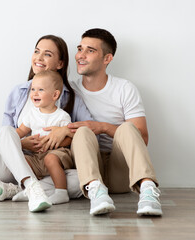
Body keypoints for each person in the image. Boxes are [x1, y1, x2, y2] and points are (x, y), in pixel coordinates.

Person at [0, 35, 93, 212]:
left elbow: (89, 131)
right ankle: (30, 185)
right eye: (37, 51)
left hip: (48, 165)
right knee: (7, 130)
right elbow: (0, 136)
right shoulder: (19, 92)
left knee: (79, 181)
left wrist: (64, 132)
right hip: (13, 165)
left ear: (60, 63)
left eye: (47, 54)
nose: (38, 57)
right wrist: (20, 143)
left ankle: (20, 189)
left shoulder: (70, 96)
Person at [66, 28, 162, 216]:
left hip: (121, 172)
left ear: (107, 59)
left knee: (128, 128)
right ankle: (97, 193)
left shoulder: (124, 88)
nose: (80, 55)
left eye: (90, 50)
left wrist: (101, 127)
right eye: (80, 48)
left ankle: (148, 191)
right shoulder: (69, 89)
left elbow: (142, 136)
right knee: (83, 131)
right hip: (88, 169)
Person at [0, 70, 75, 205]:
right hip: (37, 156)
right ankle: (29, 189)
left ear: (55, 95)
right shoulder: (31, 115)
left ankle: (61, 192)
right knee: (24, 161)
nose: (34, 93)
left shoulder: (62, 116)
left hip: (57, 154)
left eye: (40, 90)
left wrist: (55, 144)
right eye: (33, 89)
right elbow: (19, 131)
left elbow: (69, 138)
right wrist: (9, 139)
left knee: (51, 158)